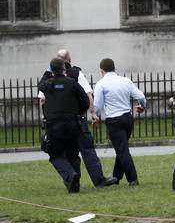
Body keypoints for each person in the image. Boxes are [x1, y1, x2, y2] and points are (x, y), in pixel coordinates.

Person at [38, 50, 118, 188]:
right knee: (86, 150)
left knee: (66, 153)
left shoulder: (47, 83)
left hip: (54, 123)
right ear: (68, 62)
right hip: (75, 121)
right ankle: (98, 180)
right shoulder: (74, 77)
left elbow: (41, 100)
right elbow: (87, 97)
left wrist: (46, 116)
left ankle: (72, 179)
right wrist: (86, 113)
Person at [39, 58, 90, 193]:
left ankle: (69, 175)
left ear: (51, 69)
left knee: (55, 155)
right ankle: (75, 186)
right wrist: (77, 111)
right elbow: (85, 101)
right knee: (73, 154)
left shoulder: (48, 84)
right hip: (72, 123)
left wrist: (48, 71)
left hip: (54, 125)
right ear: (64, 68)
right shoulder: (72, 83)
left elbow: (40, 86)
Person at [93, 58, 146, 186]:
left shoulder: (101, 84)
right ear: (114, 68)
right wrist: (142, 106)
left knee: (122, 150)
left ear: (102, 71)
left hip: (114, 120)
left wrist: (96, 117)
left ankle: (133, 179)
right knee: (121, 148)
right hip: (128, 119)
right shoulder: (126, 81)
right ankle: (116, 176)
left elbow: (98, 105)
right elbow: (141, 96)